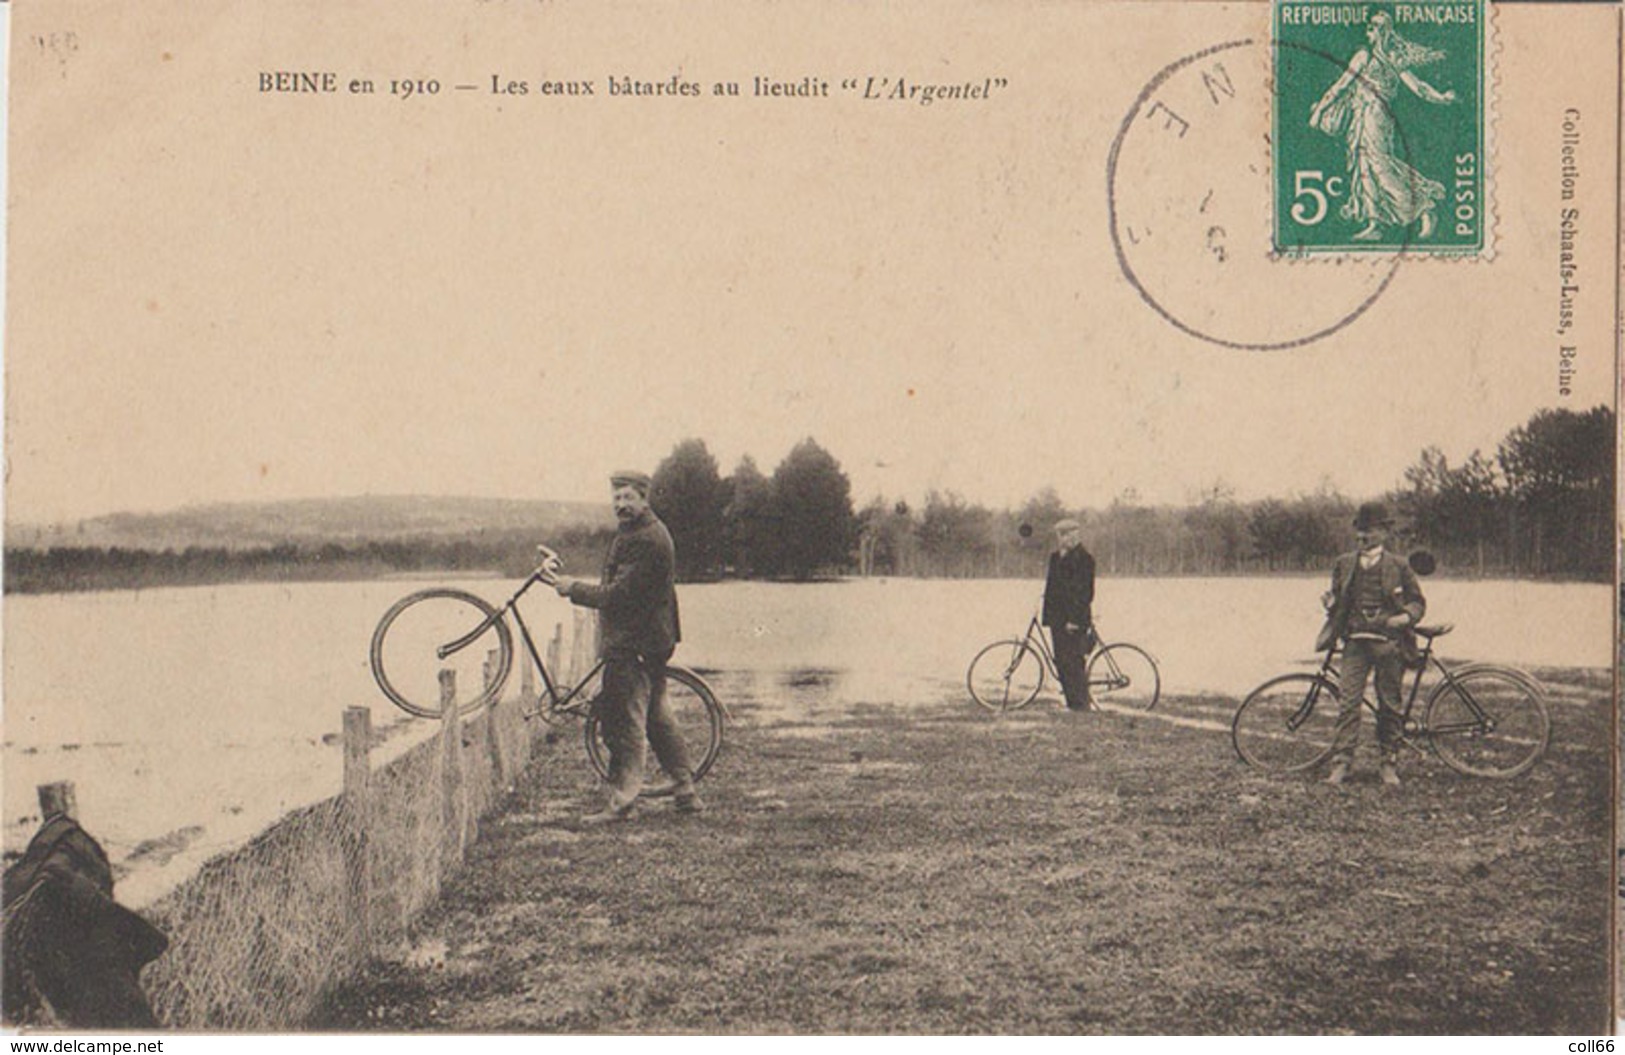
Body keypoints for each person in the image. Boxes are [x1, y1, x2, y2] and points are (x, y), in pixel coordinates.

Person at [551, 470, 704, 823]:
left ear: (644, 499)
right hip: (651, 640)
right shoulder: (640, 531)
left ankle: (622, 803)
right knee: (657, 717)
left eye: (628, 498)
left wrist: (573, 588)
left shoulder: (646, 539)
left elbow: (618, 596)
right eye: (616, 497)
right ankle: (686, 792)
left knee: (623, 724)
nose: (620, 504)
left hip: (633, 643)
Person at [1308, 10, 1457, 242]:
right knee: (1363, 166)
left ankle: (1423, 208)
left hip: (1376, 117)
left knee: (1379, 165)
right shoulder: (1363, 56)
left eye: (1376, 26)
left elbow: (1418, 86)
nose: (1371, 28)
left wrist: (1441, 97)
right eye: (1370, 25)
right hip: (1361, 116)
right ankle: (1374, 223)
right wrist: (1319, 110)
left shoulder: (1391, 58)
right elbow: (1341, 86)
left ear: (1385, 31)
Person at [1318, 501, 1426, 786]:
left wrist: (1404, 618)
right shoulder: (1343, 564)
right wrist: (1330, 604)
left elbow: (1417, 602)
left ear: (1384, 533)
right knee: (1348, 703)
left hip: (1389, 645)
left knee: (1389, 704)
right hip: (1354, 644)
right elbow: (1338, 603)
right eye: (1359, 531)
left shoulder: (1400, 565)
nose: (1362, 537)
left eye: (1368, 532)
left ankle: (1388, 762)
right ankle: (1342, 763)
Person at [1042, 518, 1096, 712]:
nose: (1068, 538)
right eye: (1063, 535)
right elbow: (1052, 588)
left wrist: (1074, 620)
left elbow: (1085, 594)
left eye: (1072, 534)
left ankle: (1081, 706)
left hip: (1074, 620)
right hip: (1057, 619)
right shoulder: (1055, 558)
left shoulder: (1085, 559)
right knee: (1062, 661)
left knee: (1074, 662)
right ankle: (1072, 703)